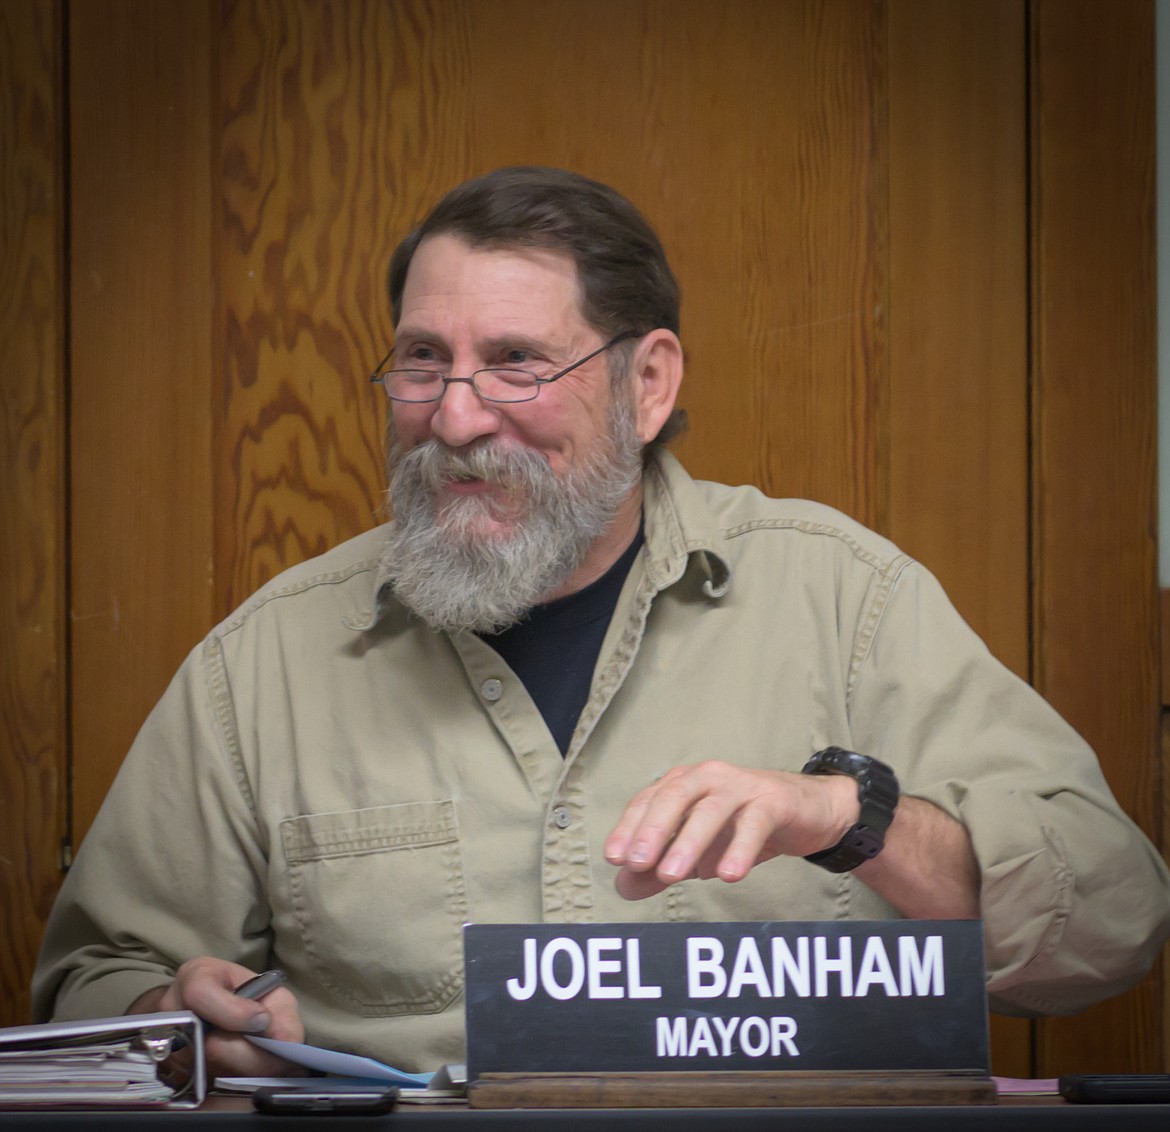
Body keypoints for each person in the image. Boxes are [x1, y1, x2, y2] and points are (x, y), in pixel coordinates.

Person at [32, 167, 1170, 1078]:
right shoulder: (266, 661)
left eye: (517, 363)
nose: (457, 417)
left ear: (648, 384)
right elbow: (94, 974)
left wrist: (848, 814)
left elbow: (1115, 920)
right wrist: (161, 1014)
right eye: (424, 362)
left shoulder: (845, 603)